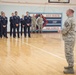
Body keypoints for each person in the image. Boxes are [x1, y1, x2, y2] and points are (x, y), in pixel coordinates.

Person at [61, 9, 76, 74]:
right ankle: (70, 65)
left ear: (69, 12)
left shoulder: (69, 20)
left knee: (69, 53)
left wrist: (60, 31)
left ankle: (71, 68)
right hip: (71, 38)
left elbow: (65, 30)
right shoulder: (72, 19)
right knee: (70, 52)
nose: (66, 13)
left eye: (66, 11)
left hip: (69, 39)